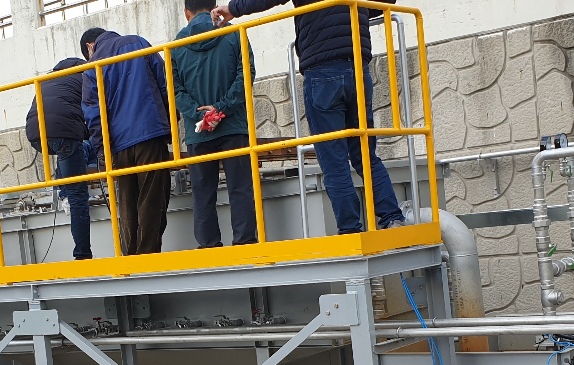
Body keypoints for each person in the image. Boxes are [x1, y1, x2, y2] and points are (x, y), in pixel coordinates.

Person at [212, 0, 406, 233]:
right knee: (365, 154)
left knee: (334, 160)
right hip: (357, 66)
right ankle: (393, 218)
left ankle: (350, 230)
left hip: (322, 68)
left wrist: (233, 9)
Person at [80, 27, 172, 255]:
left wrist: (102, 150)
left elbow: (93, 113)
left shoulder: (92, 65)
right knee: (152, 196)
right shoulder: (138, 42)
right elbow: (165, 83)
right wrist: (170, 123)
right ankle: (148, 254)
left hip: (118, 144)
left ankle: (130, 256)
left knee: (126, 200)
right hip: (150, 132)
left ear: (90, 46)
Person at [173, 0, 258, 248]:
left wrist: (197, 113)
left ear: (186, 13)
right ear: (214, 7)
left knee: (202, 192)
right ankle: (245, 242)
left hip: (198, 130)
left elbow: (174, 89)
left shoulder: (175, 45)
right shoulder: (234, 33)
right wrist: (221, 109)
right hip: (233, 125)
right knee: (240, 188)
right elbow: (246, 74)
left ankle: (208, 246)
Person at [26, 57, 95, 260]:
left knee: (67, 150)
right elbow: (95, 114)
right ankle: (83, 255)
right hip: (62, 131)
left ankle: (63, 192)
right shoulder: (88, 75)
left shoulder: (49, 78)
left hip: (35, 134)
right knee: (78, 195)